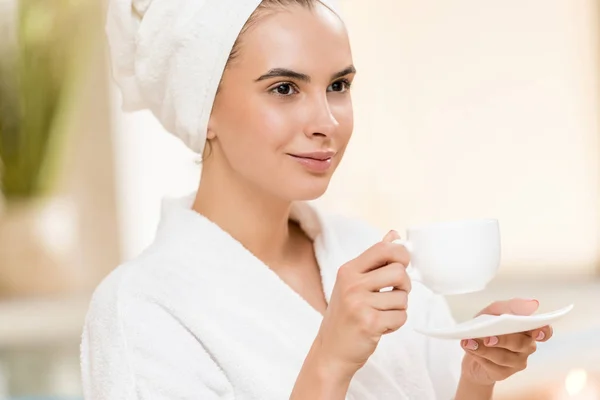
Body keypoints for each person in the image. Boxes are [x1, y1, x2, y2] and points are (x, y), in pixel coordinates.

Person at [80, 0, 554, 399]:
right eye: (284, 89)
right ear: (205, 109)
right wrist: (328, 364)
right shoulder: (140, 310)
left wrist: (475, 380)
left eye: (338, 86)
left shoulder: (367, 253)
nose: (326, 121)